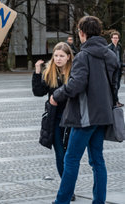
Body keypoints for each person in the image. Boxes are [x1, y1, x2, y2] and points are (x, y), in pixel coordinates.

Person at [50, 16, 119, 204]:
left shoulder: (83, 56)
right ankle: (99, 201)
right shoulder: (110, 55)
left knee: (71, 160)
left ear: (82, 33)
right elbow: (114, 86)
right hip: (103, 115)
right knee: (97, 160)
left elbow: (75, 85)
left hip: (85, 116)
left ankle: (61, 201)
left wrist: (57, 95)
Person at [32, 42, 74, 198]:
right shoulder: (49, 71)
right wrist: (37, 71)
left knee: (70, 155)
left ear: (68, 57)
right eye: (56, 55)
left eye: (61, 56)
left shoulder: (75, 72)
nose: (58, 59)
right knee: (60, 154)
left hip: (72, 119)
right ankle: (67, 189)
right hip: (54, 119)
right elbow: (38, 92)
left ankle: (67, 188)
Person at [108, 31, 123, 107]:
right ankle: (114, 102)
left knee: (118, 85)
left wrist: (121, 64)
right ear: (111, 39)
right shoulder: (109, 48)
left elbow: (120, 58)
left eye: (116, 38)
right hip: (113, 70)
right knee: (114, 86)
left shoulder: (119, 47)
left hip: (119, 69)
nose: (115, 39)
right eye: (114, 38)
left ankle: (116, 101)